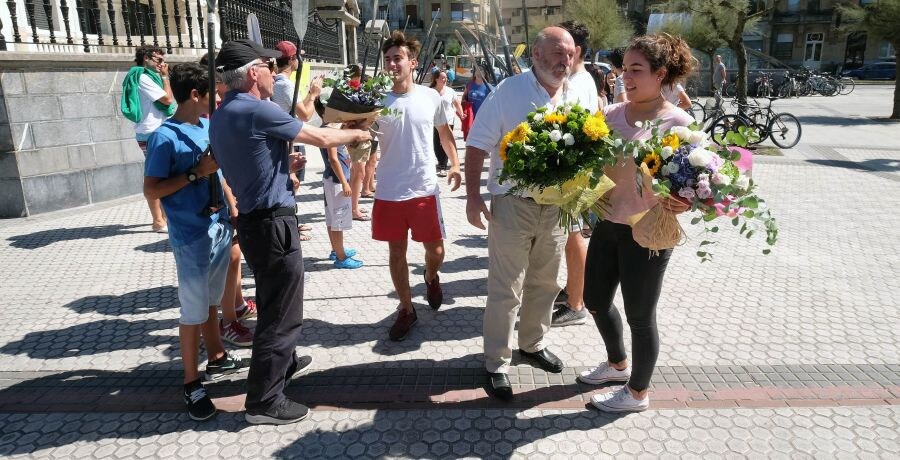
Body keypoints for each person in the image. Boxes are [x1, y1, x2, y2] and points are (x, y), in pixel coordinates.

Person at [209, 39, 371, 425]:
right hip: (272, 222)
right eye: (267, 65)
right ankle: (265, 401)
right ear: (252, 73)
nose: (273, 70)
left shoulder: (223, 112)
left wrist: (282, 160)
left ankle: (284, 363)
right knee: (283, 312)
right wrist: (357, 134)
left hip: (253, 221)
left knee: (271, 300)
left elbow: (247, 157)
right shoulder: (256, 109)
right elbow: (322, 137)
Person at [580, 33, 695, 413]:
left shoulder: (676, 122)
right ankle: (617, 366)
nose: (625, 77)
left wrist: (685, 202)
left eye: (636, 70)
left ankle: (637, 394)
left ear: (660, 74)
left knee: (640, 317)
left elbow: (694, 183)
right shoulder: (610, 116)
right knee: (595, 300)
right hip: (608, 223)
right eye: (623, 69)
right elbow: (591, 168)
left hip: (648, 231)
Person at [465, 26, 578, 401]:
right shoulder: (508, 92)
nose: (566, 61)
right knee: (506, 288)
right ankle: (496, 362)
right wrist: (472, 197)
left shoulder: (575, 92)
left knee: (545, 283)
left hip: (557, 206)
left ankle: (532, 344)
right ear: (537, 55)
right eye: (559, 54)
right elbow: (478, 145)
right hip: (513, 204)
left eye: (570, 54)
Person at [143, 62, 249, 421]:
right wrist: (194, 173)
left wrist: (233, 207)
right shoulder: (164, 137)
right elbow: (152, 190)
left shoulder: (207, 125)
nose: (217, 99)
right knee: (192, 312)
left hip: (218, 227)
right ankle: (191, 383)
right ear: (194, 95)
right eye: (212, 93)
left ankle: (217, 357)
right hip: (190, 235)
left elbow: (219, 174)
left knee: (210, 302)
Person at [368, 31, 462, 342]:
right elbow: (360, 137)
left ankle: (431, 275)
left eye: (398, 58)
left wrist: (456, 164)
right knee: (396, 252)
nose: (392, 64)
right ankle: (406, 309)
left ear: (412, 62)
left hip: (423, 188)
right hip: (389, 191)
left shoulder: (430, 96)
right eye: (388, 59)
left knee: (435, 251)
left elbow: (445, 133)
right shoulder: (376, 100)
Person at [198, 52, 258, 347]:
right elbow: (216, 167)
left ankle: (235, 306)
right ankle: (227, 322)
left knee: (234, 255)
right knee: (227, 258)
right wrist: (233, 203)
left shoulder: (219, 108)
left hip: (227, 193)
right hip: (213, 199)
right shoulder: (210, 115)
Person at [551, 20, 600, 328]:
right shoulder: (576, 79)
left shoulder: (580, 83)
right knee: (571, 236)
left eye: (563, 49)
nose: (559, 57)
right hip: (569, 171)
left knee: (574, 236)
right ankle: (571, 291)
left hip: (574, 172)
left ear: (576, 50)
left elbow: (575, 128)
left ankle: (576, 304)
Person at [271, 40, 323, 241]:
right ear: (292, 59)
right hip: (288, 140)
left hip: (284, 139)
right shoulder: (284, 84)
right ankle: (288, 227)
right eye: (298, 56)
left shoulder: (275, 81)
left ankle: (291, 221)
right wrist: (313, 93)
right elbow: (305, 114)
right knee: (292, 184)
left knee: (291, 183)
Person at [122, 45, 176, 233]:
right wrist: (165, 77)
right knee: (155, 177)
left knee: (162, 175)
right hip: (152, 132)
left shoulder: (143, 76)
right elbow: (167, 100)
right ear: (146, 58)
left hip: (152, 131)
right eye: (159, 60)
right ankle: (158, 221)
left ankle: (164, 218)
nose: (163, 64)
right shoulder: (143, 77)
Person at [320, 137, 364, 269]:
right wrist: (345, 183)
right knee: (338, 221)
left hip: (332, 180)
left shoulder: (330, 130)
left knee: (332, 219)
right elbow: (333, 159)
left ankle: (336, 249)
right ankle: (341, 257)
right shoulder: (331, 132)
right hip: (337, 182)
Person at [430, 69, 465, 177]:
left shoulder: (450, 91)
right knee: (436, 143)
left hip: (448, 120)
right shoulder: (430, 91)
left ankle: (442, 166)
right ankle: (441, 162)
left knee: (445, 141)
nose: (445, 79)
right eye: (442, 77)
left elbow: (456, 103)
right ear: (436, 79)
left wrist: (461, 113)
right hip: (434, 121)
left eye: (445, 77)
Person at [460, 66, 491, 140]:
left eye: (481, 70)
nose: (478, 72)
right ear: (474, 73)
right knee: (470, 139)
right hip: (470, 118)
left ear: (485, 73)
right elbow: (464, 97)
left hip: (482, 119)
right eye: (477, 70)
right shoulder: (470, 84)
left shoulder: (488, 87)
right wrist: (464, 105)